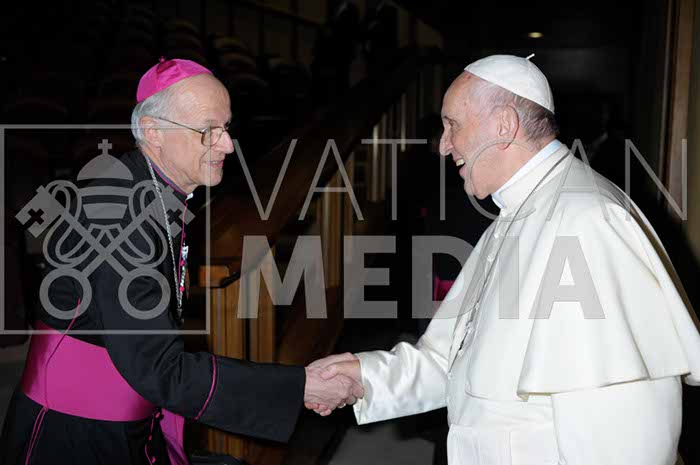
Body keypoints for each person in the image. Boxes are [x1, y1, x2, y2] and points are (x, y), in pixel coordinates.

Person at [307, 54, 700, 465]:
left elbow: (625, 439)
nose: (443, 145)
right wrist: (364, 377)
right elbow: (454, 359)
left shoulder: (586, 221)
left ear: (504, 125)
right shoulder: (518, 211)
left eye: (453, 125)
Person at [0, 58, 362, 465]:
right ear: (153, 132)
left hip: (125, 419)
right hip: (76, 435)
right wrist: (300, 386)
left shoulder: (150, 189)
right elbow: (160, 369)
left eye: (226, 128)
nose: (227, 145)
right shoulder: (121, 220)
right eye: (208, 131)